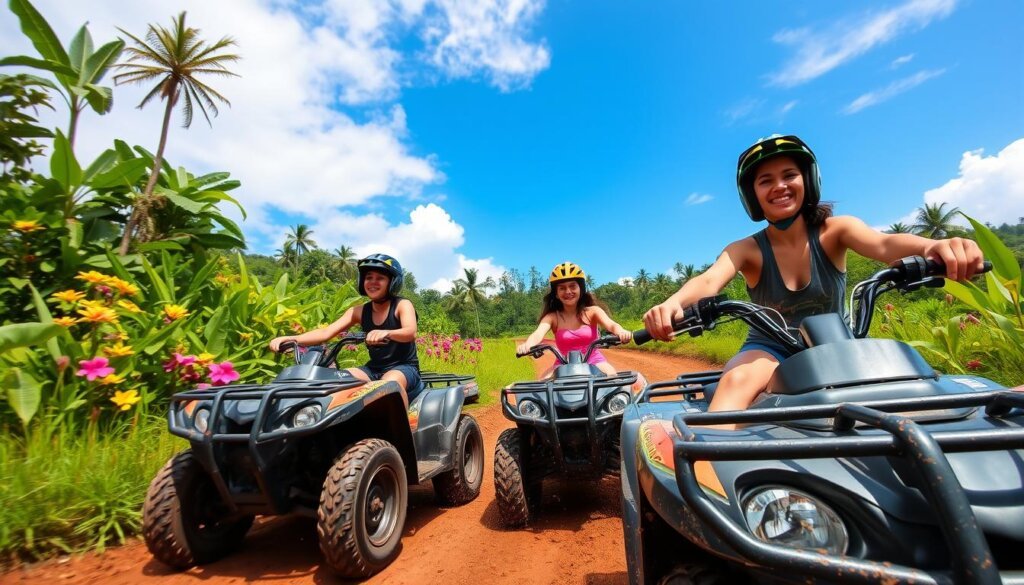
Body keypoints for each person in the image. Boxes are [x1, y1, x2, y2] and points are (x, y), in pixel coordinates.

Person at [643, 134, 985, 420]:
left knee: (907, 383)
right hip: (769, 348)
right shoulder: (745, 249)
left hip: (837, 344)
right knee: (739, 380)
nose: (779, 186)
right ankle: (710, 476)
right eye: (765, 180)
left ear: (807, 180)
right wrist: (671, 304)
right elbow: (708, 281)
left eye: (788, 175)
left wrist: (935, 246)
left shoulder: (836, 230)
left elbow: (884, 243)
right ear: (753, 196)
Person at [269, 253, 422, 401]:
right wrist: (292, 338)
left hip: (404, 368)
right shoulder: (358, 311)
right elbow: (326, 332)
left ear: (393, 282)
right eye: (369, 277)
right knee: (335, 380)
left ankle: (399, 427)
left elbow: (410, 332)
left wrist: (386, 333)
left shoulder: (402, 305)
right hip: (373, 369)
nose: (373, 282)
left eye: (380, 278)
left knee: (387, 385)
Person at [517, 262, 633, 378]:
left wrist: (621, 332)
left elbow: (612, 325)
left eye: (572, 286)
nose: (568, 291)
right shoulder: (552, 317)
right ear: (556, 294)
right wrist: (528, 344)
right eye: (562, 288)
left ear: (580, 289)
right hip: (562, 364)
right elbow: (537, 334)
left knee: (614, 382)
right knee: (541, 390)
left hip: (595, 361)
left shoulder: (593, 312)